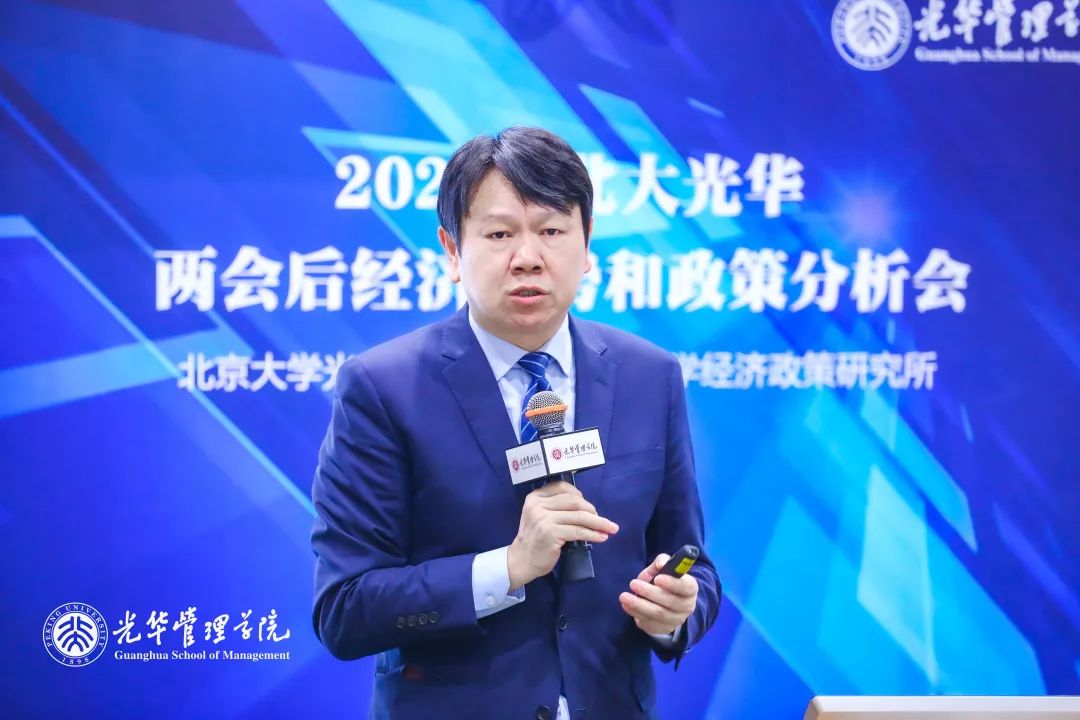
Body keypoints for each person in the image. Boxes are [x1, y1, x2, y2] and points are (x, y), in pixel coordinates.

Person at [311, 126, 721, 720]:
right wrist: (507, 568)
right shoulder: (382, 388)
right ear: (452, 251)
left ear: (587, 244)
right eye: (500, 233)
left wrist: (677, 611)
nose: (528, 257)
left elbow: (691, 561)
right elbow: (345, 609)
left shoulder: (649, 376)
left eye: (552, 231)